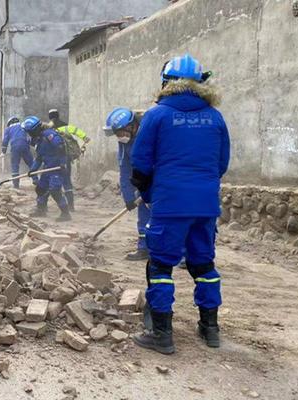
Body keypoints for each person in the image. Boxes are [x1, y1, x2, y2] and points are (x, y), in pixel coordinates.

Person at [130, 54, 230, 354]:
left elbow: (140, 163)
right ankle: (210, 329)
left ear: (166, 82)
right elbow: (222, 162)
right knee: (204, 265)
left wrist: (149, 193)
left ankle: (161, 334)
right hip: (205, 205)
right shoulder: (215, 116)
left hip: (170, 203)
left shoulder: (157, 115)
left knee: (160, 266)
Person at [103, 107, 150, 261]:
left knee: (169, 217)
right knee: (143, 216)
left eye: (120, 132)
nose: (119, 137)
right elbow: (124, 169)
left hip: (160, 182)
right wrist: (129, 197)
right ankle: (144, 249)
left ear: (131, 126)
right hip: (142, 184)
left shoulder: (150, 133)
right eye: (116, 134)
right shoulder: (125, 142)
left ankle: (184, 254)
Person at [21, 116, 71, 222]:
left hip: (57, 168)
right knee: (40, 188)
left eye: (29, 132)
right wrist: (33, 169)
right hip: (47, 168)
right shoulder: (38, 140)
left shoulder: (49, 134)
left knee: (55, 190)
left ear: (34, 130)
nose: (28, 134)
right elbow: (39, 158)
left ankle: (65, 213)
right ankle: (41, 210)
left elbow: (61, 147)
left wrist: (63, 163)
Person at [48, 109, 90, 211]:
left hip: (54, 159)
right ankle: (71, 205)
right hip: (66, 158)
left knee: (51, 180)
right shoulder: (66, 127)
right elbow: (77, 131)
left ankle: (48, 206)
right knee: (67, 181)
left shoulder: (49, 129)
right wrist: (85, 137)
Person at [1, 117, 34, 189]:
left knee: (15, 165)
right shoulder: (23, 126)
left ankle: (16, 185)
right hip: (25, 146)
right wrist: (27, 144)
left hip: (15, 147)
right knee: (31, 163)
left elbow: (5, 140)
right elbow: (29, 137)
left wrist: (4, 150)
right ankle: (36, 180)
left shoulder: (8, 129)